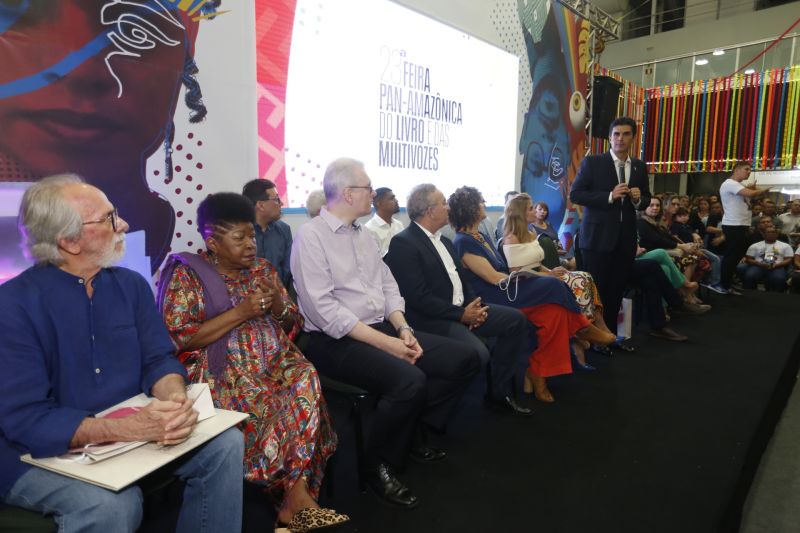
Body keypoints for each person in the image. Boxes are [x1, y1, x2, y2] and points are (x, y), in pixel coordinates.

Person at [0, 175, 244, 533]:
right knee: (112, 505)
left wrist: (175, 400)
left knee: (226, 444)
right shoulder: (13, 306)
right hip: (32, 455)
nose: (124, 225)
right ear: (69, 241)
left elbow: (158, 359)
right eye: (109, 219)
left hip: (124, 437)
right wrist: (126, 429)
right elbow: (26, 419)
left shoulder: (130, 285)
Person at [291, 158, 481, 509]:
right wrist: (389, 343)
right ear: (348, 194)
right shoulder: (310, 238)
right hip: (332, 341)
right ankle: (375, 464)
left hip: (378, 328)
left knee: (464, 358)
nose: (374, 194)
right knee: (410, 381)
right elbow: (325, 312)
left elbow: (389, 287)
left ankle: (407, 430)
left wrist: (404, 329)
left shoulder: (363, 236)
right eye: (368, 188)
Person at [158, 192, 346, 530]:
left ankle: (293, 497)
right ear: (212, 241)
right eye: (239, 237)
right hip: (220, 373)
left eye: (251, 235)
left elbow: (292, 322)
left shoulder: (262, 269)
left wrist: (276, 302)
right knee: (269, 402)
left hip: (276, 361)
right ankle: (295, 497)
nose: (250, 245)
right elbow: (179, 338)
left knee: (305, 377)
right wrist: (241, 312)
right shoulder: (187, 274)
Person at [0, 1, 221, 270]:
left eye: (136, 33)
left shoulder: (132, 282)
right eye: (23, 22)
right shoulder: (18, 297)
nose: (80, 70)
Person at [448, 186, 614, 403]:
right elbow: (493, 278)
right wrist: (529, 277)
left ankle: (538, 374)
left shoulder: (479, 236)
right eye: (480, 202)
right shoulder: (463, 241)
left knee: (554, 312)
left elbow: (501, 271)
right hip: (495, 296)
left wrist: (529, 276)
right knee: (553, 285)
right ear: (470, 208)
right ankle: (582, 327)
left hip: (507, 289)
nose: (484, 204)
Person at [385, 184, 533, 417]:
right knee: (478, 355)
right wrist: (462, 315)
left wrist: (475, 306)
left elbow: (464, 280)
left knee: (516, 320)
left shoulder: (444, 241)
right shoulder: (404, 243)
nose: (448, 207)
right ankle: (426, 415)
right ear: (430, 210)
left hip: (463, 309)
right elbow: (417, 297)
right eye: (444, 202)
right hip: (433, 319)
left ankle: (498, 392)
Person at [503, 193, 614, 368]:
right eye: (531, 208)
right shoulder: (511, 238)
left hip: (541, 276)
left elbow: (537, 264)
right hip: (527, 286)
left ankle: (593, 325)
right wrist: (548, 275)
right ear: (520, 213)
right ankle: (581, 332)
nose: (535, 211)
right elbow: (517, 273)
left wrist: (551, 270)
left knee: (584, 277)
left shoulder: (531, 233)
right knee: (571, 282)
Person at [569, 116, 651, 351]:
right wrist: (609, 196)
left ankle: (611, 337)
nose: (620, 139)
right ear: (609, 138)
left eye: (625, 134)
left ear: (633, 138)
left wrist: (638, 200)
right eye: (616, 134)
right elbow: (576, 195)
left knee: (616, 290)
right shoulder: (594, 162)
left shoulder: (638, 166)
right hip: (596, 240)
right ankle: (594, 340)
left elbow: (645, 199)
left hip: (625, 240)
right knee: (597, 293)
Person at [719, 161, 769, 295]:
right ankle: (724, 284)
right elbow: (751, 194)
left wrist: (752, 190)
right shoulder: (729, 183)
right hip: (733, 224)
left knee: (736, 254)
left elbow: (748, 202)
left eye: (750, 170)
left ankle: (728, 281)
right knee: (731, 255)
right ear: (737, 170)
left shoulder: (738, 185)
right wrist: (761, 190)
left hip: (741, 224)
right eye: (746, 169)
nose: (749, 172)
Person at [527, 199, 576, 269]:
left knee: (575, 262)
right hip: (548, 254)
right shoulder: (531, 227)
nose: (542, 212)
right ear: (535, 211)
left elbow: (557, 238)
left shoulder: (549, 224)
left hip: (560, 251)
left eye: (544, 210)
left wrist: (560, 247)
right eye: (540, 209)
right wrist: (556, 251)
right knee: (567, 264)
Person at [741, 227, 794, 292]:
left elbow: (789, 259)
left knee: (779, 279)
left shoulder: (786, 246)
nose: (771, 234)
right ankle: (750, 294)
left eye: (773, 232)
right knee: (750, 276)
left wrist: (776, 265)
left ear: (777, 234)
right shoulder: (755, 245)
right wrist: (759, 264)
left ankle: (777, 297)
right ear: (763, 235)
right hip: (758, 266)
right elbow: (749, 259)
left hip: (777, 266)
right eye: (768, 232)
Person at [364, 187, 404, 256]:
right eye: (392, 198)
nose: (396, 200)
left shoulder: (399, 224)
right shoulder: (369, 229)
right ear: (379, 204)